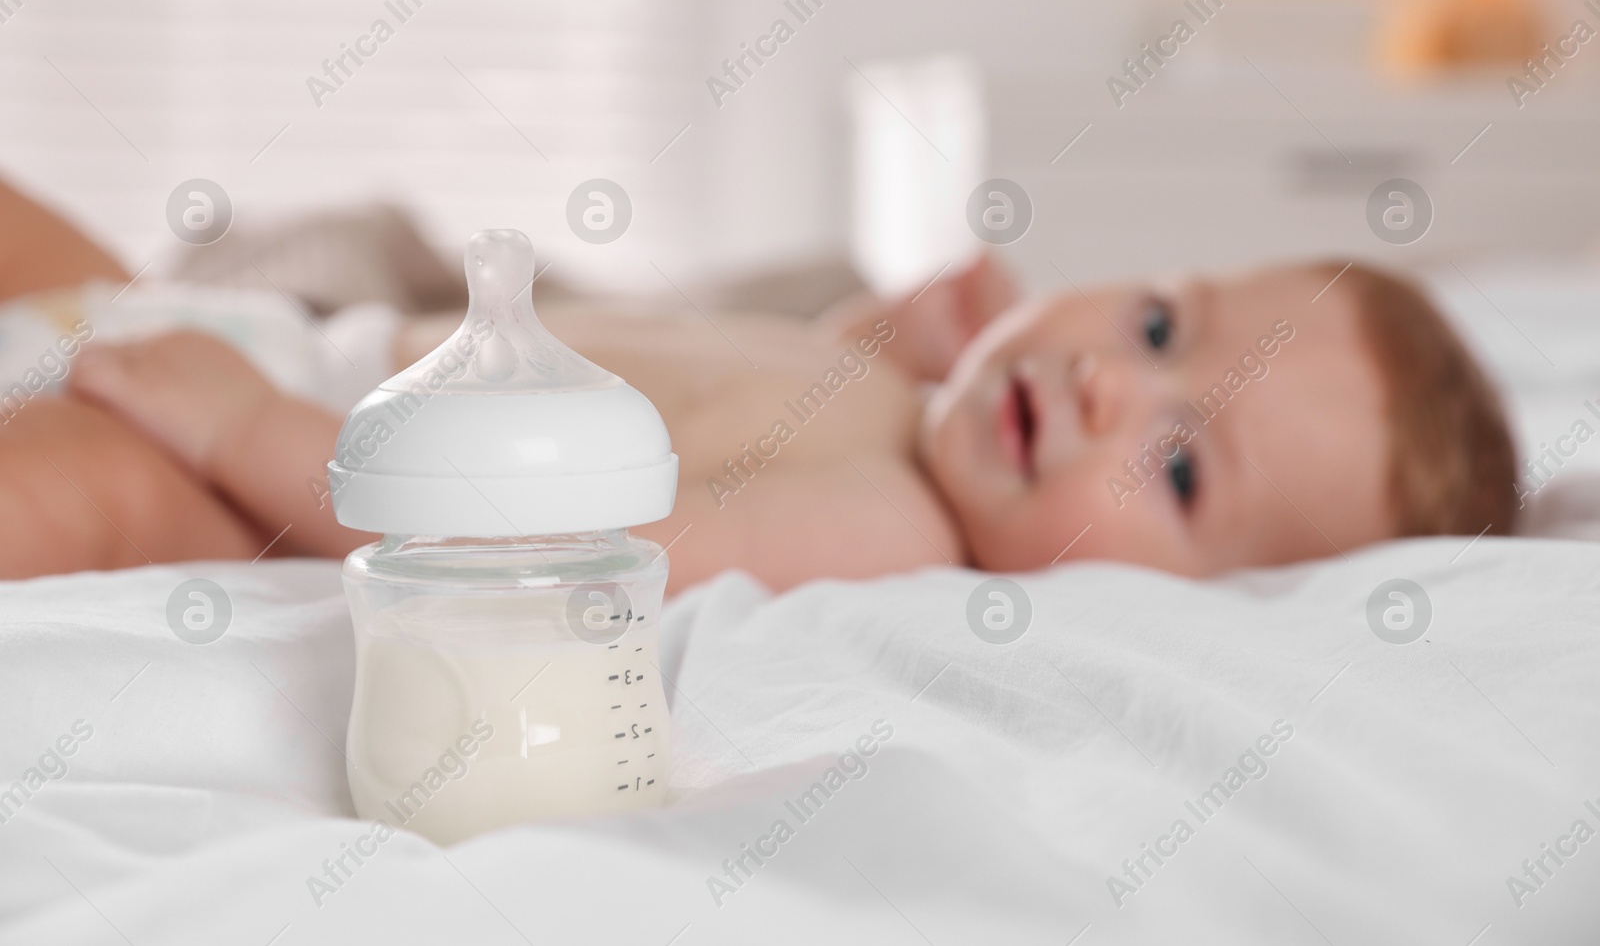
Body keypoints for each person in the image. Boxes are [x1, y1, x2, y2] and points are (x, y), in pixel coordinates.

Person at [0, 176, 1519, 590]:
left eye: (1184, 470)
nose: (1115, 387)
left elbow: (575, 549)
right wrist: (894, 335)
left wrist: (246, 427)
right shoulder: (912, 425)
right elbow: (749, 384)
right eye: (1162, 327)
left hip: (274, 450)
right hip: (275, 328)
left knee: (69, 500)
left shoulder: (880, 532)